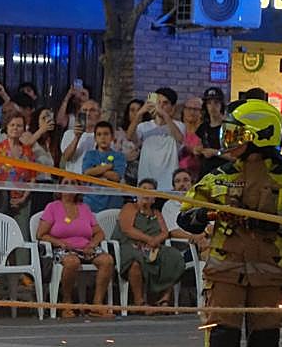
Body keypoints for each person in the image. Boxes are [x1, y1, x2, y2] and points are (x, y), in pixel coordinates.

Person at [178, 98, 282, 347]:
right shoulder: (219, 176)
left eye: (237, 133)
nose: (229, 140)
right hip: (225, 274)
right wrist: (209, 215)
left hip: (271, 277)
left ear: (259, 136)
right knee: (222, 344)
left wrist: (272, 225)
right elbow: (187, 216)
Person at [37, 178, 116, 318]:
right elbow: (41, 234)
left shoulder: (84, 208)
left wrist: (92, 244)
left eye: (73, 183)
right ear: (59, 188)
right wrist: (59, 243)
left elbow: (99, 233)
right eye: (66, 183)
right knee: (72, 262)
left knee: (107, 260)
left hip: (86, 247)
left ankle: (97, 305)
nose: (70, 186)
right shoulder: (52, 207)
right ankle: (67, 302)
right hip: (63, 248)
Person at [113, 178, 185, 307]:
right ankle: (139, 302)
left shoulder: (156, 213)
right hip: (130, 245)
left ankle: (164, 298)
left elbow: (164, 232)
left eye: (150, 191)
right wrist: (148, 239)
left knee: (174, 256)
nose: (146, 193)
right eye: (143, 189)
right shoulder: (129, 207)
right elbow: (127, 229)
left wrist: (155, 241)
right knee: (136, 261)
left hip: (153, 247)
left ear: (154, 198)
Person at [0, 113, 38, 238]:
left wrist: (23, 198)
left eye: (19, 125)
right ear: (6, 127)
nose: (15, 128)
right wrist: (2, 194)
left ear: (24, 129)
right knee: (0, 236)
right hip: (0, 200)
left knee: (22, 236)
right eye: (12, 125)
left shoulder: (28, 152)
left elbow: (32, 178)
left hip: (22, 200)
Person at [133, 87, 184, 192]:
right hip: (146, 184)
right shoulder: (143, 126)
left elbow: (180, 138)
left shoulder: (179, 125)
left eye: (165, 103)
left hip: (169, 185)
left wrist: (164, 115)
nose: (160, 106)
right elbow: (130, 137)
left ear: (173, 107)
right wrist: (139, 113)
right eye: (158, 102)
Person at [81, 121, 124, 213]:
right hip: (91, 202)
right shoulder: (90, 155)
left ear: (112, 137)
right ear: (95, 138)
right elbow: (87, 173)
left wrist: (96, 170)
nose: (103, 137)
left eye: (106, 134)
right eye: (99, 134)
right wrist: (108, 167)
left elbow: (116, 176)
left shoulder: (119, 156)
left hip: (113, 203)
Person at [195, 86, 230, 175]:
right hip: (206, 172)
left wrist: (215, 152)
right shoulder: (203, 128)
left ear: (221, 105)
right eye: (209, 103)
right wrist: (198, 150)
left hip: (224, 172)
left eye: (216, 103)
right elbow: (197, 148)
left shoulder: (228, 127)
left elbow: (236, 156)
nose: (212, 107)